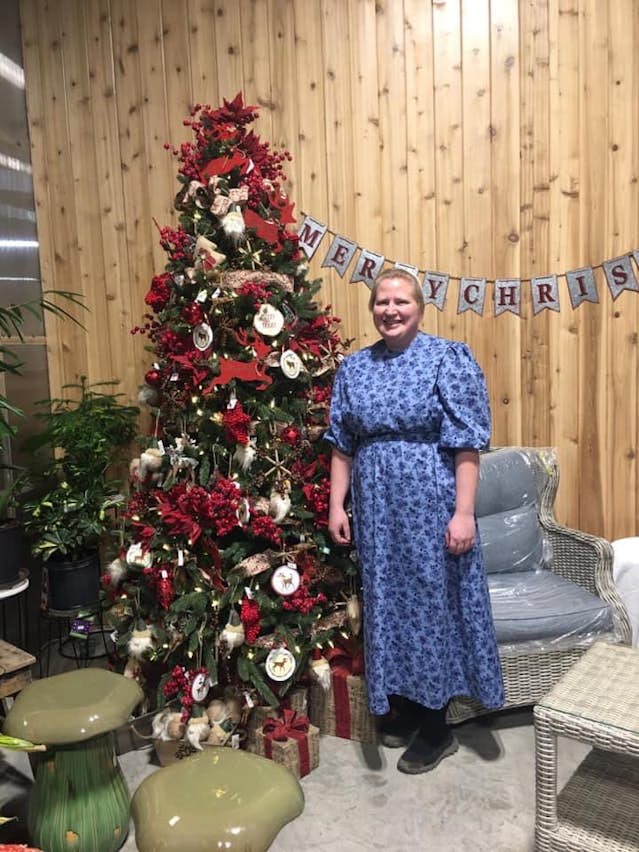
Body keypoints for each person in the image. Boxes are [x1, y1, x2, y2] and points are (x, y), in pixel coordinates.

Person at [325, 268, 504, 774]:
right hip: (377, 511)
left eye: (401, 301)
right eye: (382, 302)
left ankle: (436, 727)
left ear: (420, 308)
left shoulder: (446, 358)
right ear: (373, 309)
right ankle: (401, 705)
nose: (391, 310)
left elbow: (467, 443)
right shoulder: (354, 369)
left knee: (430, 607)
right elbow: (342, 444)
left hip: (431, 505)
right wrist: (338, 506)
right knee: (387, 604)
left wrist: (464, 513)